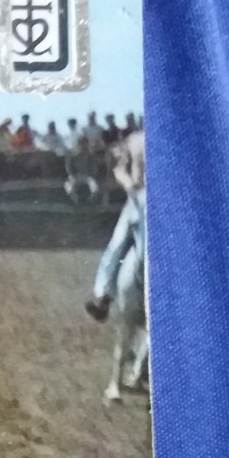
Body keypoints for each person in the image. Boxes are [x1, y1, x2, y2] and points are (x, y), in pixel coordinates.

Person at [86, 130, 146, 322]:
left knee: (118, 246)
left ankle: (103, 299)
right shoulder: (138, 139)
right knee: (127, 247)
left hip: (140, 198)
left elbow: (119, 170)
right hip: (143, 198)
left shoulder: (132, 140)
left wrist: (130, 186)